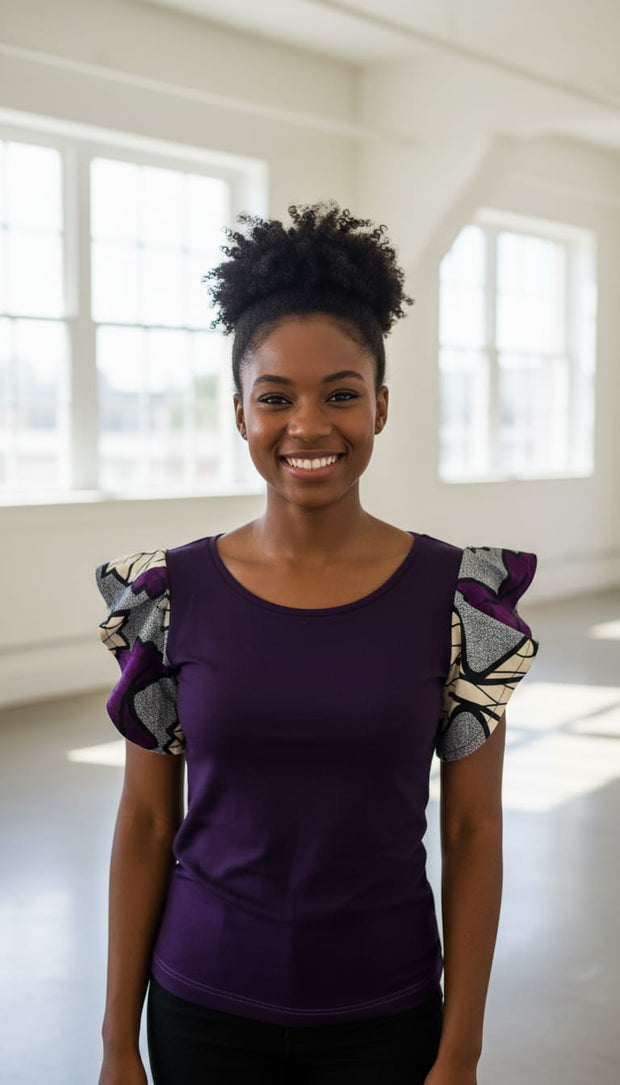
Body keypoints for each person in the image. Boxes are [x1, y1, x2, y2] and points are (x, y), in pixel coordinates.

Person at [95, 201, 540, 1085]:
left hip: (386, 1014)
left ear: (380, 404)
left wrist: (462, 1049)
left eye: (341, 393)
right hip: (201, 1006)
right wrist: (116, 1043)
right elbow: (148, 821)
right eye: (275, 398)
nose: (309, 425)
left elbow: (473, 827)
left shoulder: (462, 604)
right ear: (239, 412)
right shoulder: (168, 598)